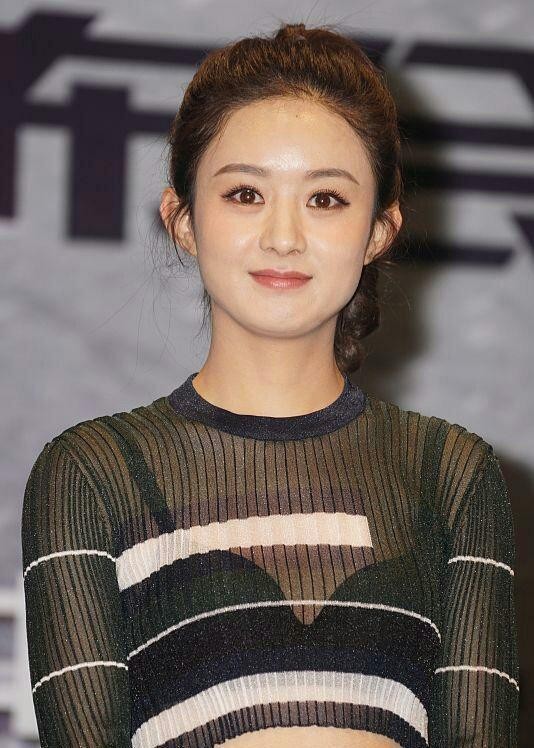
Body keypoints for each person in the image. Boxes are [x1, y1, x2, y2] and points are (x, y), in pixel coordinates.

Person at [21, 19, 519, 748]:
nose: (283, 236)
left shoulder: (449, 475)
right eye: (245, 194)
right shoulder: (93, 475)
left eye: (325, 200)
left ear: (379, 230)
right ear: (182, 219)